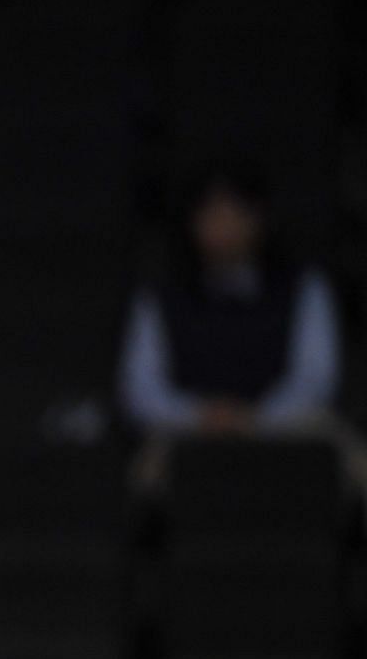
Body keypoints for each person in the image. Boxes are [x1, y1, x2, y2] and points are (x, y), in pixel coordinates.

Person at [117, 162, 364, 492]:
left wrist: (254, 419)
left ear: (258, 219)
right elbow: (142, 388)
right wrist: (201, 416)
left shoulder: (304, 287)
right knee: (144, 472)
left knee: (351, 456)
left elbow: (315, 377)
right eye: (212, 215)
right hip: (185, 429)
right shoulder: (160, 296)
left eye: (235, 214)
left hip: (287, 423)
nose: (224, 226)